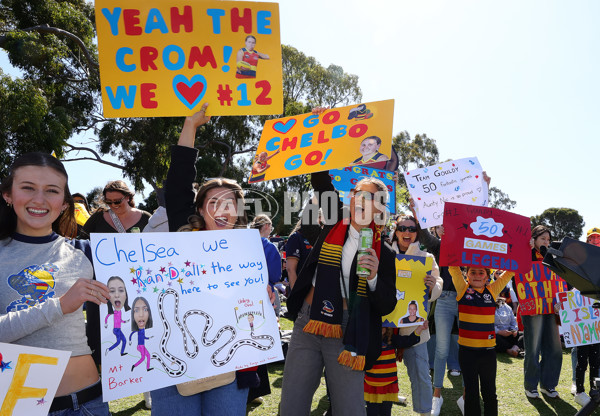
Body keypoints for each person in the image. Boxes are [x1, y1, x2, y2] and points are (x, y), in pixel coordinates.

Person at [153, 102, 275, 416]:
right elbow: (179, 181)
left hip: (230, 363)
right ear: (199, 207)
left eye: (229, 203)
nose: (221, 210)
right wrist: (190, 126)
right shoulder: (183, 232)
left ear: (239, 210)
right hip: (178, 360)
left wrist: (265, 301)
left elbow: (257, 306)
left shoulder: (249, 248)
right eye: (213, 202)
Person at [280, 112, 397, 415]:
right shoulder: (333, 223)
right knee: (291, 405)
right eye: (357, 193)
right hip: (308, 321)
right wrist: (327, 133)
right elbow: (321, 179)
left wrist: (372, 279)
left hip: (348, 331)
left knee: (349, 409)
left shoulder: (384, 252)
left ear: (380, 209)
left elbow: (386, 304)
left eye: (370, 197)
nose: (361, 199)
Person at [0, 152, 110, 415]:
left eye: (52, 191)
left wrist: (188, 130)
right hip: (21, 407)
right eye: (28, 188)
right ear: (8, 195)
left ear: (63, 202)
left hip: (90, 402)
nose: (39, 199)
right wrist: (60, 305)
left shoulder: (88, 251)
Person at [390, 215, 443, 416]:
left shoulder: (427, 258)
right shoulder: (385, 254)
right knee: (375, 371)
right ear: (396, 231)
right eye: (402, 228)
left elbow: (438, 282)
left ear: (417, 233)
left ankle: (424, 412)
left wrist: (432, 287)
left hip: (416, 327)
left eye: (412, 229)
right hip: (386, 327)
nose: (407, 232)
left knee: (421, 374)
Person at [450, 266, 514, 416]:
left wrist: (524, 246)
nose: (477, 276)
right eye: (473, 272)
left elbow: (509, 272)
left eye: (481, 273)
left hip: (488, 353)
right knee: (471, 394)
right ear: (466, 275)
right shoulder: (462, 289)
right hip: (467, 353)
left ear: (487, 277)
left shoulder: (492, 291)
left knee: (489, 393)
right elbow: (453, 268)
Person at [522, 225, 563, 399]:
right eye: (542, 239)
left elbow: (561, 281)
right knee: (533, 348)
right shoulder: (525, 255)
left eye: (548, 239)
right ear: (534, 239)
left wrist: (560, 302)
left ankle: (548, 385)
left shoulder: (553, 257)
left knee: (554, 347)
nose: (546, 242)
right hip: (533, 309)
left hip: (551, 308)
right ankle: (531, 386)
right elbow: (519, 280)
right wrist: (526, 303)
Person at [364, 322, 429, 416]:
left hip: (388, 387)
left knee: (386, 413)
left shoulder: (392, 339)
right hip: (372, 386)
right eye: (377, 323)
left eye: (384, 325)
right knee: (372, 413)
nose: (381, 327)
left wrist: (419, 329)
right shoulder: (366, 340)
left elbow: (408, 340)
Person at [572, 227, 600, 406]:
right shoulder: (579, 261)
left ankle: (594, 390)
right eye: (592, 239)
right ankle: (580, 391)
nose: (595, 241)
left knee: (596, 358)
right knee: (581, 357)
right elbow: (572, 283)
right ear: (587, 241)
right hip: (582, 315)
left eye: (597, 239)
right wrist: (566, 303)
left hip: (597, 317)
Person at [82, 180, 151, 236]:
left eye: (117, 201)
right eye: (108, 201)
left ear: (128, 197)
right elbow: (81, 241)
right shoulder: (98, 217)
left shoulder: (145, 217)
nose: (113, 205)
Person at [104, 276, 130, 357]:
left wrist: (125, 321)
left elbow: (120, 320)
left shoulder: (120, 311)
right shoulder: (114, 312)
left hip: (119, 329)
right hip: (116, 330)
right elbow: (107, 316)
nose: (117, 295)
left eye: (121, 290)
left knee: (124, 341)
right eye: (112, 291)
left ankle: (122, 352)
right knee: (118, 342)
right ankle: (108, 349)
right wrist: (106, 323)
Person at [129, 297, 154, 372]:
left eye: (145, 309)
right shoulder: (139, 329)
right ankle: (134, 365)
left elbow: (143, 337)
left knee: (148, 356)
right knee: (143, 358)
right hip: (140, 346)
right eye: (136, 310)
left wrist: (149, 338)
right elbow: (132, 333)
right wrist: (130, 340)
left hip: (142, 345)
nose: (141, 314)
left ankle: (147, 368)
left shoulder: (143, 329)